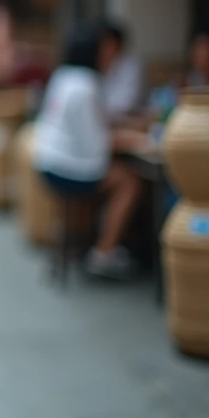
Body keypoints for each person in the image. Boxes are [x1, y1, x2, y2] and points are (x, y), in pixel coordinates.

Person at [33, 23, 146, 280]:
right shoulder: (87, 84)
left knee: (113, 178)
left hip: (48, 161)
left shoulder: (64, 76)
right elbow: (97, 144)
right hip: (69, 169)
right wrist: (133, 139)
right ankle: (104, 252)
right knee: (130, 182)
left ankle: (89, 242)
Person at [98, 20, 145, 121]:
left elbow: (127, 104)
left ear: (119, 44)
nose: (103, 49)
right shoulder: (99, 63)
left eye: (108, 44)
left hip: (129, 120)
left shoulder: (131, 64)